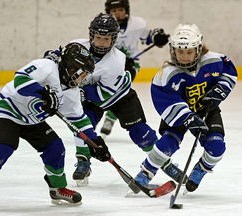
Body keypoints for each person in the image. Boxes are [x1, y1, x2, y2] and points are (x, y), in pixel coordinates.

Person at [0, 42, 111, 205]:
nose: (83, 78)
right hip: (8, 110)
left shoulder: (72, 93)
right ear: (72, 68)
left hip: (32, 121)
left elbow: (79, 120)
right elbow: (20, 80)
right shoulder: (47, 66)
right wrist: (44, 94)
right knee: (2, 150)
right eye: (82, 73)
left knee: (55, 148)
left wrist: (94, 142)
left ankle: (57, 189)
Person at [69, 13, 182, 187]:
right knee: (82, 125)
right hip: (92, 99)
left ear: (114, 39)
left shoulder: (116, 60)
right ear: (91, 35)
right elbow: (59, 61)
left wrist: (79, 93)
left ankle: (164, 163)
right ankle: (83, 160)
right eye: (98, 38)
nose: (101, 43)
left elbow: (102, 95)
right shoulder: (76, 47)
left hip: (120, 98)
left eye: (106, 39)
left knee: (140, 133)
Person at [133, 23, 237, 193]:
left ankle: (201, 169)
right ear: (173, 50)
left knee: (217, 147)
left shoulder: (213, 60)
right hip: (179, 114)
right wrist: (186, 117)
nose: (185, 56)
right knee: (168, 142)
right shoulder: (166, 74)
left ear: (198, 48)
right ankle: (146, 172)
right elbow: (164, 99)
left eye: (189, 51)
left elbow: (229, 72)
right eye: (180, 51)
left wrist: (220, 89)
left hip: (206, 110)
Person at [100, 0, 170, 138]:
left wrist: (157, 37)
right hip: (108, 65)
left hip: (132, 65)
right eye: (113, 11)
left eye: (120, 9)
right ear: (108, 12)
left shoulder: (137, 24)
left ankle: (110, 117)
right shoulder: (103, 26)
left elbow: (149, 37)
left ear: (126, 10)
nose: (118, 14)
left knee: (122, 89)